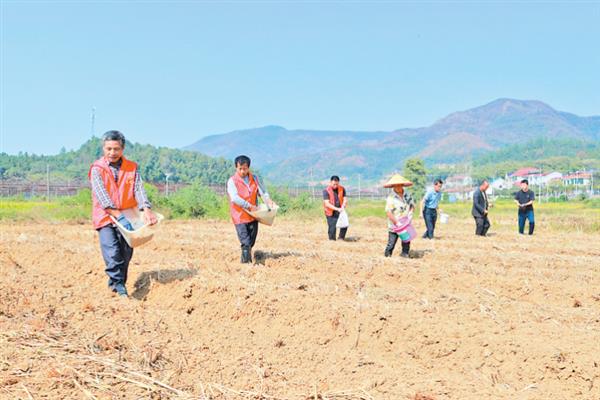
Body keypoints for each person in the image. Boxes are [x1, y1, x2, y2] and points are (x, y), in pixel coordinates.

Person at [88, 130, 158, 297]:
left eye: (116, 149)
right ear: (103, 149)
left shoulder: (132, 167)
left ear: (123, 149)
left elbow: (139, 189)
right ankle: (118, 287)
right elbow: (102, 196)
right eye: (109, 149)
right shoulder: (97, 169)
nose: (112, 153)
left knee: (126, 252)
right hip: (106, 215)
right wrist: (117, 215)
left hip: (128, 214)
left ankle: (118, 283)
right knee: (112, 252)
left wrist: (146, 209)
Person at [227, 155, 275, 263]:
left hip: (253, 215)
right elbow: (234, 198)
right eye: (240, 168)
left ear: (248, 168)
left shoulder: (255, 178)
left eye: (245, 168)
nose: (242, 171)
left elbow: (262, 191)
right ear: (236, 167)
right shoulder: (232, 181)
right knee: (246, 242)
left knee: (251, 241)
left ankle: (247, 256)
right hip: (240, 216)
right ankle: (246, 265)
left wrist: (268, 201)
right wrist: (248, 205)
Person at [383, 174, 415, 258]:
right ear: (393, 186)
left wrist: (410, 214)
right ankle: (387, 256)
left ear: (402, 185)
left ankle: (405, 255)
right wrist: (397, 222)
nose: (398, 187)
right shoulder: (391, 198)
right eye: (396, 185)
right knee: (391, 243)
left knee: (406, 241)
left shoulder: (408, 194)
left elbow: (412, 205)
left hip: (406, 223)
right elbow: (388, 212)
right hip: (394, 225)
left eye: (399, 185)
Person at [322, 175, 348, 241]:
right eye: (334, 184)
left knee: (345, 225)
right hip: (330, 212)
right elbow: (327, 203)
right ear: (330, 182)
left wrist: (344, 204)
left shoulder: (342, 189)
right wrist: (337, 209)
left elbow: (345, 198)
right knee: (332, 228)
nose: (335, 186)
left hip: (340, 210)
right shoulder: (326, 191)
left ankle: (341, 238)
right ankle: (332, 240)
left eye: (337, 184)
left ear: (338, 182)